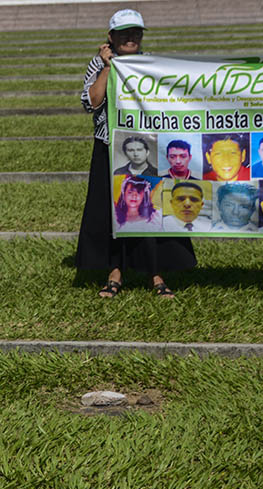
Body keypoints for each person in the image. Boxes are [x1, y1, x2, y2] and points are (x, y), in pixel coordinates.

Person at [74, 8, 195, 299]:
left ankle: (157, 275)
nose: (131, 38)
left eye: (136, 33)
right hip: (109, 148)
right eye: (125, 33)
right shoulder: (98, 63)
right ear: (110, 37)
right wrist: (106, 67)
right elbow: (91, 102)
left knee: (152, 210)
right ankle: (114, 273)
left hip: (148, 148)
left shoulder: (150, 64)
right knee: (113, 212)